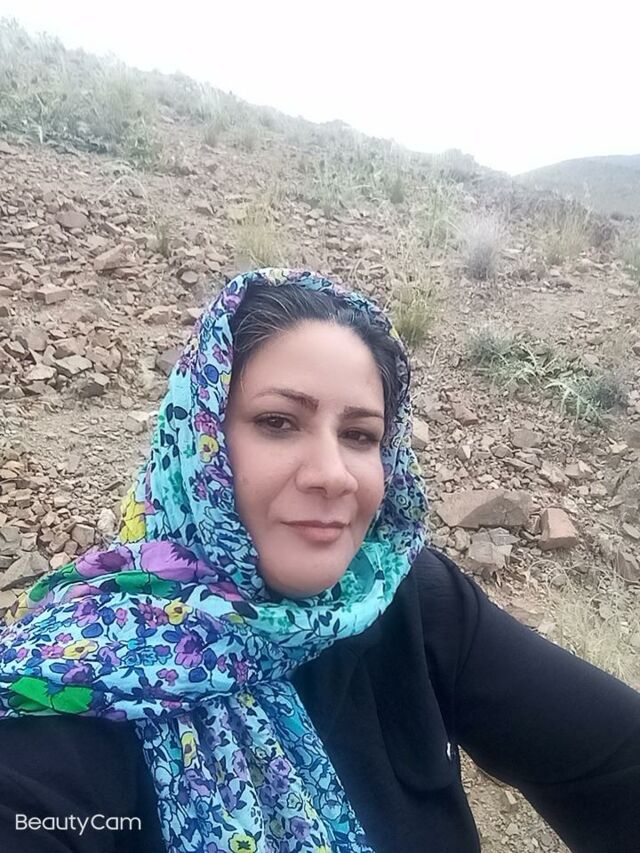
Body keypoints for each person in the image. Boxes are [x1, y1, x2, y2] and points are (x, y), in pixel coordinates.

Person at [0, 267, 637, 853]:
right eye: (278, 422)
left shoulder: (402, 600)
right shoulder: (70, 687)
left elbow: (615, 763)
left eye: (360, 435)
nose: (334, 475)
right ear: (199, 441)